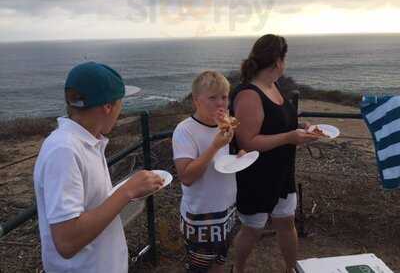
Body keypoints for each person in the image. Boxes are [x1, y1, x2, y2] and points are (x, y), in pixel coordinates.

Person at [33, 62, 164, 273]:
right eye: (121, 102)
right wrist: (128, 191)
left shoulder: (86, 141)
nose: (121, 110)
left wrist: (131, 191)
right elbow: (67, 241)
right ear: (108, 107)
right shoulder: (64, 150)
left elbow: (92, 208)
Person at [230, 35, 318, 273]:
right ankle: (237, 270)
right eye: (284, 57)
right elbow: (247, 142)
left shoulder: (273, 86)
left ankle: (290, 269)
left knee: (286, 222)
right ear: (277, 61)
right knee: (253, 228)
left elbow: (279, 122)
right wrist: (290, 138)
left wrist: (301, 128)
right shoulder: (249, 94)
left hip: (281, 171)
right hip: (257, 175)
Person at [172, 71, 239, 273]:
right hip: (202, 218)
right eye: (212, 97)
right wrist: (215, 146)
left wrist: (239, 155)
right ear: (196, 100)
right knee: (199, 269)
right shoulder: (185, 131)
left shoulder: (225, 125)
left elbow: (221, 162)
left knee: (220, 262)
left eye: (224, 97)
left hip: (227, 211)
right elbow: (186, 177)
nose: (220, 103)